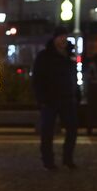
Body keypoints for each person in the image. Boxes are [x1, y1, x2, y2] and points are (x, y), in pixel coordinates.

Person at [32, 29, 79, 169]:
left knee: (72, 129)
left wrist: (76, 94)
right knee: (47, 132)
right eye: (60, 37)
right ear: (55, 39)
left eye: (65, 36)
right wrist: (41, 98)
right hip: (50, 99)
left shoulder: (69, 55)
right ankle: (48, 161)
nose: (63, 39)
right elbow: (37, 79)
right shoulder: (44, 56)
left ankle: (67, 158)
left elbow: (73, 77)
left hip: (67, 98)